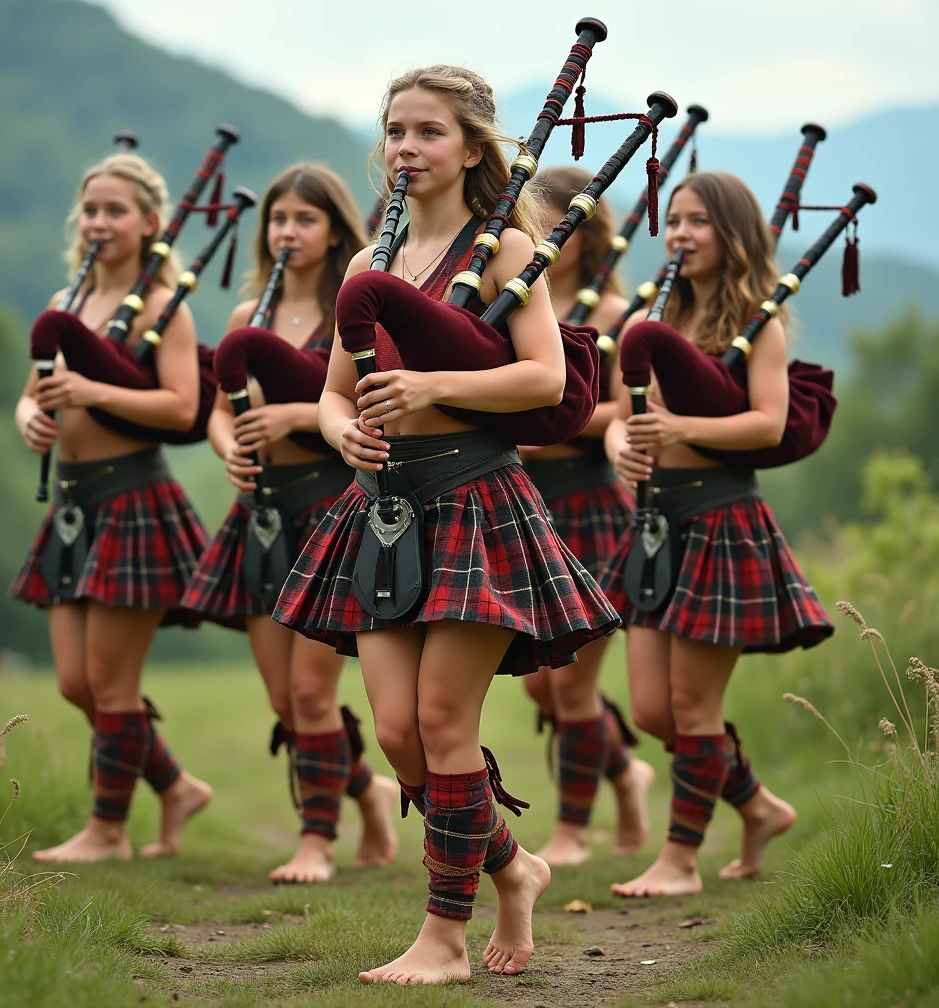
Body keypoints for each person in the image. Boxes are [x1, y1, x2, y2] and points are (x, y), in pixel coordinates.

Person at [273, 65, 620, 985]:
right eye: (394, 131)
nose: (405, 149)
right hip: (384, 509)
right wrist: (343, 433)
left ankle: (443, 937)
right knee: (395, 733)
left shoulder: (504, 247)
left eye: (427, 132)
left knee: (440, 718)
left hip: (475, 498)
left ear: (473, 149)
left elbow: (545, 380)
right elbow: (330, 396)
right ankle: (516, 866)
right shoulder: (364, 264)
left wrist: (433, 387)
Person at [600, 171, 833, 897]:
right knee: (650, 710)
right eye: (673, 220)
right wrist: (620, 447)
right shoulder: (651, 313)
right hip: (653, 522)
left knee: (694, 708)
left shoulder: (757, 325)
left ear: (731, 234)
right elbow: (614, 414)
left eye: (698, 221)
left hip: (720, 519)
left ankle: (679, 863)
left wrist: (678, 428)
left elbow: (766, 421)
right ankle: (758, 807)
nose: (680, 234)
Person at [181, 164, 398, 883]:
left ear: (335, 227)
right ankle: (367, 793)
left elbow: (365, 402)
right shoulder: (249, 318)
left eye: (304, 219)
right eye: (277, 220)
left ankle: (314, 840)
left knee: (311, 692)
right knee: (285, 698)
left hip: (331, 508)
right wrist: (229, 450)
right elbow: (217, 410)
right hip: (263, 512)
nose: (287, 232)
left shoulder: (359, 305)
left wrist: (298, 416)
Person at [10, 152, 212, 863]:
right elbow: (34, 391)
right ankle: (175, 784)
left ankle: (107, 832)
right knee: (75, 683)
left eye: (115, 210)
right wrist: (28, 416)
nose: (99, 222)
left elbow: (182, 406)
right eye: (90, 209)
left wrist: (94, 394)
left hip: (134, 500)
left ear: (150, 223)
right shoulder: (68, 303)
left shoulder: (163, 308)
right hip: (73, 503)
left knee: (109, 682)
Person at [520, 166, 654, 866]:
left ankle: (572, 832)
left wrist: (550, 426)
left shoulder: (616, 314)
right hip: (524, 505)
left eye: (554, 222)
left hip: (591, 502)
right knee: (541, 683)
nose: (542, 233)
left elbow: (626, 412)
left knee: (570, 682)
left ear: (585, 229)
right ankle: (627, 774)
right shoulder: (515, 296)